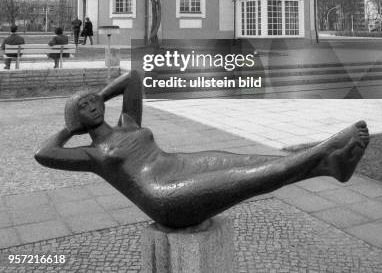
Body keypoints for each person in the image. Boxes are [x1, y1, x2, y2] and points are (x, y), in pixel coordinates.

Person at [34, 72, 370, 230]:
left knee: (256, 162)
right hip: (163, 196)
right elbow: (44, 153)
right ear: (75, 117)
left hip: (179, 165)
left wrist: (98, 95)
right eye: (84, 107)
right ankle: (328, 147)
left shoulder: (128, 121)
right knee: (253, 177)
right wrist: (70, 126)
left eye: (93, 101)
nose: (92, 106)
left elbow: (132, 78)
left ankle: (331, 166)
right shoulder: (93, 155)